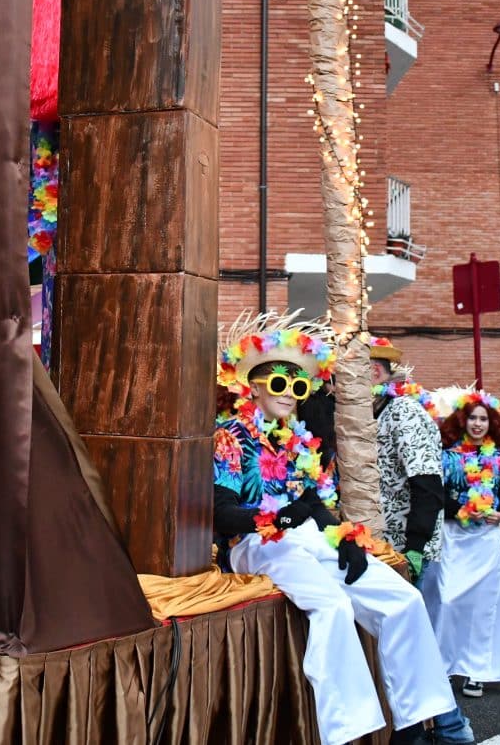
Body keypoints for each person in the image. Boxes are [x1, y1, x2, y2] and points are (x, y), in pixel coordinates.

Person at [212, 313, 456, 745]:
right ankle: (345, 733)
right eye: (278, 383)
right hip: (254, 542)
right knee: (333, 607)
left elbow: (317, 505)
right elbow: (222, 511)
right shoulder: (231, 436)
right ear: (253, 386)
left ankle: (415, 723)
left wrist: (345, 539)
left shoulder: (299, 440)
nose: (289, 394)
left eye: (298, 386)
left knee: (404, 599)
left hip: (303, 535)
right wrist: (273, 519)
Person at [366, 336, 475, 745]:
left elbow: (429, 487)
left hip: (407, 551)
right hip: (375, 548)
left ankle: (450, 728)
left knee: (414, 642)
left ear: (374, 373)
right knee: (397, 642)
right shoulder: (360, 417)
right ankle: (414, 728)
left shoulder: (405, 414)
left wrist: (412, 550)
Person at [422, 389, 500, 698]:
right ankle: (444, 665)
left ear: (491, 424)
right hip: (454, 538)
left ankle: (478, 671)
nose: (478, 424)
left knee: (483, 606)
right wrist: (461, 511)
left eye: (484, 419)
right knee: (448, 601)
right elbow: (435, 497)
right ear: (463, 421)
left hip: (486, 541)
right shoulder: (447, 457)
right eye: (473, 418)